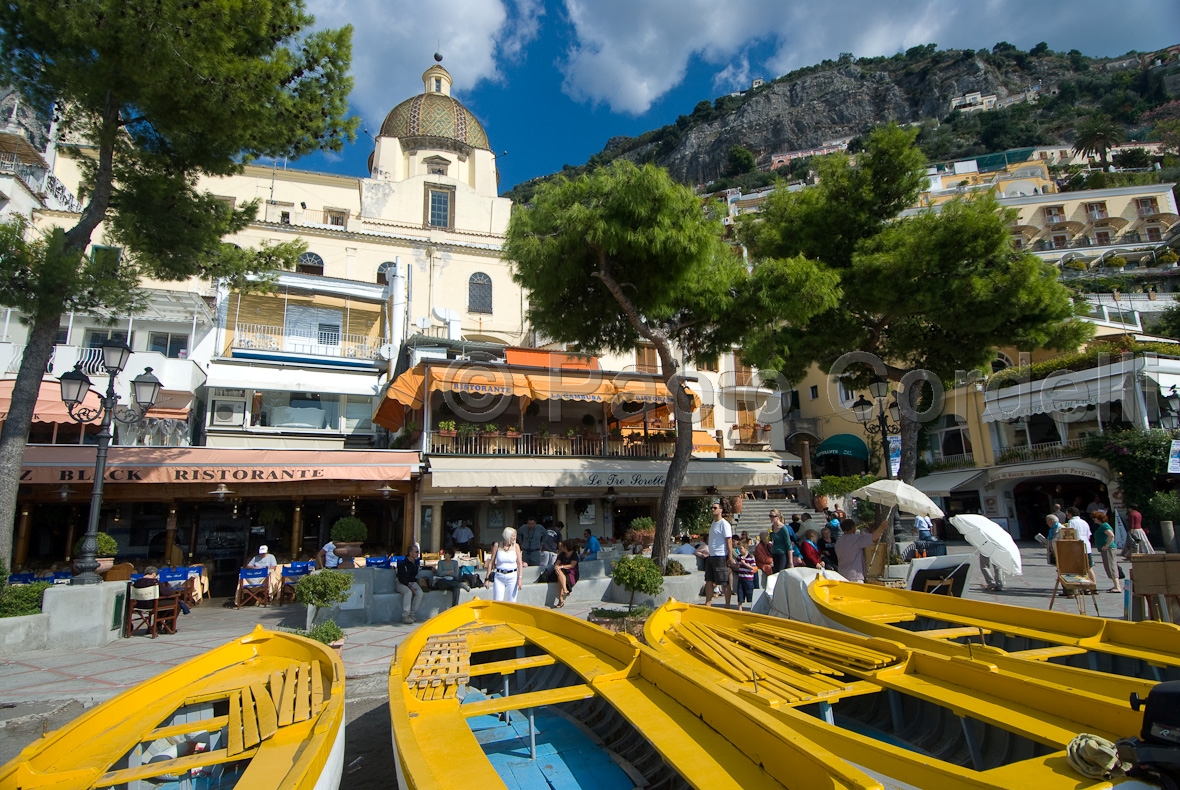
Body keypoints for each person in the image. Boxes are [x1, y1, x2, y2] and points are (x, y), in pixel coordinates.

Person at [834, 518, 889, 583]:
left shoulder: (838, 541)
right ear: (852, 527)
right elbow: (874, 537)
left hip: (842, 575)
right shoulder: (855, 539)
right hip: (854, 577)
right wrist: (882, 527)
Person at [703, 500, 733, 608]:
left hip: (721, 556)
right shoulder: (713, 523)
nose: (712, 510)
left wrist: (729, 557)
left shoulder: (724, 524)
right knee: (708, 580)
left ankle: (727, 605)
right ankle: (708, 603)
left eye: (715, 508)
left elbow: (729, 541)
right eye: (712, 508)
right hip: (711, 556)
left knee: (724, 581)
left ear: (720, 510)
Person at [484, 527, 524, 603]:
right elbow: (491, 562)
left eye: (515, 536)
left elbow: (519, 563)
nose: (514, 538)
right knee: (497, 601)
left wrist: (520, 578)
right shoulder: (497, 545)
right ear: (507, 536)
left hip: (512, 576)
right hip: (499, 576)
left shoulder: (516, 546)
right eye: (512, 536)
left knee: (512, 601)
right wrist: (487, 579)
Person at [1093, 512, 1122, 593]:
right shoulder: (1103, 526)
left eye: (1094, 518)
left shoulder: (1104, 526)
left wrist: (1107, 545)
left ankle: (1117, 586)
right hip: (1106, 549)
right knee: (1109, 566)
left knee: (1111, 566)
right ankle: (1115, 585)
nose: (1093, 519)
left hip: (1109, 549)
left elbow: (1111, 535)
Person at [395, 545, 424, 625]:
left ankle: (412, 614)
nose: (418, 553)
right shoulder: (403, 564)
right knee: (408, 593)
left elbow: (421, 568)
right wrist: (410, 587)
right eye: (416, 552)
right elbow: (402, 578)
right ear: (410, 553)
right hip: (401, 583)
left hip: (412, 582)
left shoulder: (415, 563)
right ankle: (405, 616)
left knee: (420, 593)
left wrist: (431, 568)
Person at [553, 540, 579, 608]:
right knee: (559, 573)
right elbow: (556, 564)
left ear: (566, 547)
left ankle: (561, 600)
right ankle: (565, 590)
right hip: (561, 572)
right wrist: (557, 567)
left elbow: (572, 565)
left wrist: (561, 566)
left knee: (559, 577)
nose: (560, 547)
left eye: (562, 546)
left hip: (571, 573)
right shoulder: (562, 554)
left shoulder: (574, 554)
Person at [734, 541, 757, 611]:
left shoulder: (750, 557)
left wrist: (744, 564)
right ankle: (739, 607)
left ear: (746, 548)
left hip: (748, 579)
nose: (740, 550)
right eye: (739, 549)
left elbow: (753, 568)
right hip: (741, 578)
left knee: (750, 593)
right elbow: (737, 565)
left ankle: (752, 607)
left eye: (741, 548)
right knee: (740, 592)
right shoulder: (739, 557)